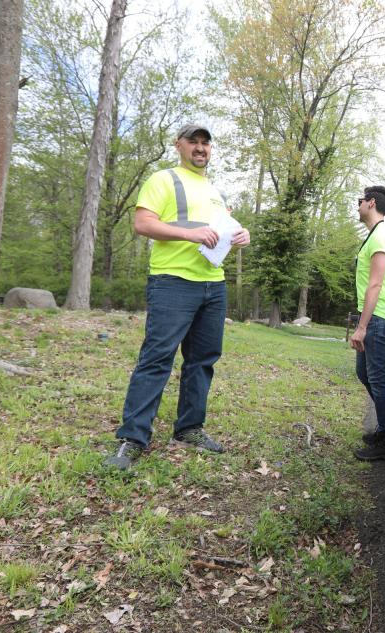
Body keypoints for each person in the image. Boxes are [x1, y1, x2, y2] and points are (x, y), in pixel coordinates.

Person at [105, 124, 250, 470]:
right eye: (194, 142)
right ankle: (132, 438)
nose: (201, 148)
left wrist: (240, 233)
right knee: (157, 358)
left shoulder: (216, 191)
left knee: (202, 360)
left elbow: (219, 229)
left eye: (206, 143)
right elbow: (143, 224)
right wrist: (190, 234)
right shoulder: (163, 179)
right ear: (179, 146)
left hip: (213, 284)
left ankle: (189, 429)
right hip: (172, 281)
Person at [351, 185, 385, 462]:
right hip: (373, 317)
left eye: (360, 200)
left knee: (378, 379)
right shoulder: (374, 235)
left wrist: (362, 326)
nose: (357, 205)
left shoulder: (380, 235)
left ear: (371, 203)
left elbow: (376, 284)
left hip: (377, 317)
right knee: (365, 373)